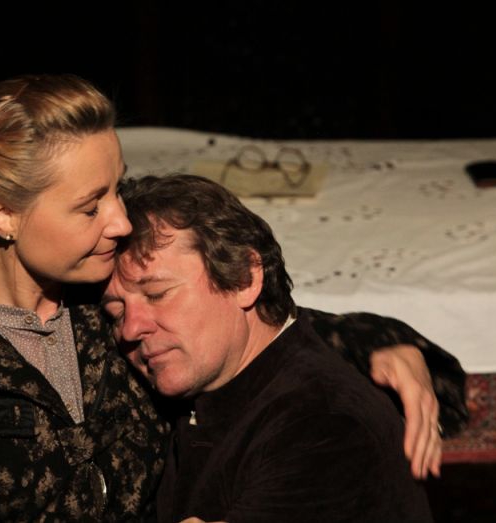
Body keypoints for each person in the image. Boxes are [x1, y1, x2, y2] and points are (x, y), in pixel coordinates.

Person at [0, 75, 464, 522]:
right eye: (90, 205)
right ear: (3, 214)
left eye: (117, 189)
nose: (121, 221)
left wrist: (378, 341)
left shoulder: (100, 293)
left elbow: (241, 321)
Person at [102, 174, 463, 522]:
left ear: (244, 278)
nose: (131, 328)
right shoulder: (224, 378)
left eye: (157, 294)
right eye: (116, 313)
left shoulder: (326, 429)